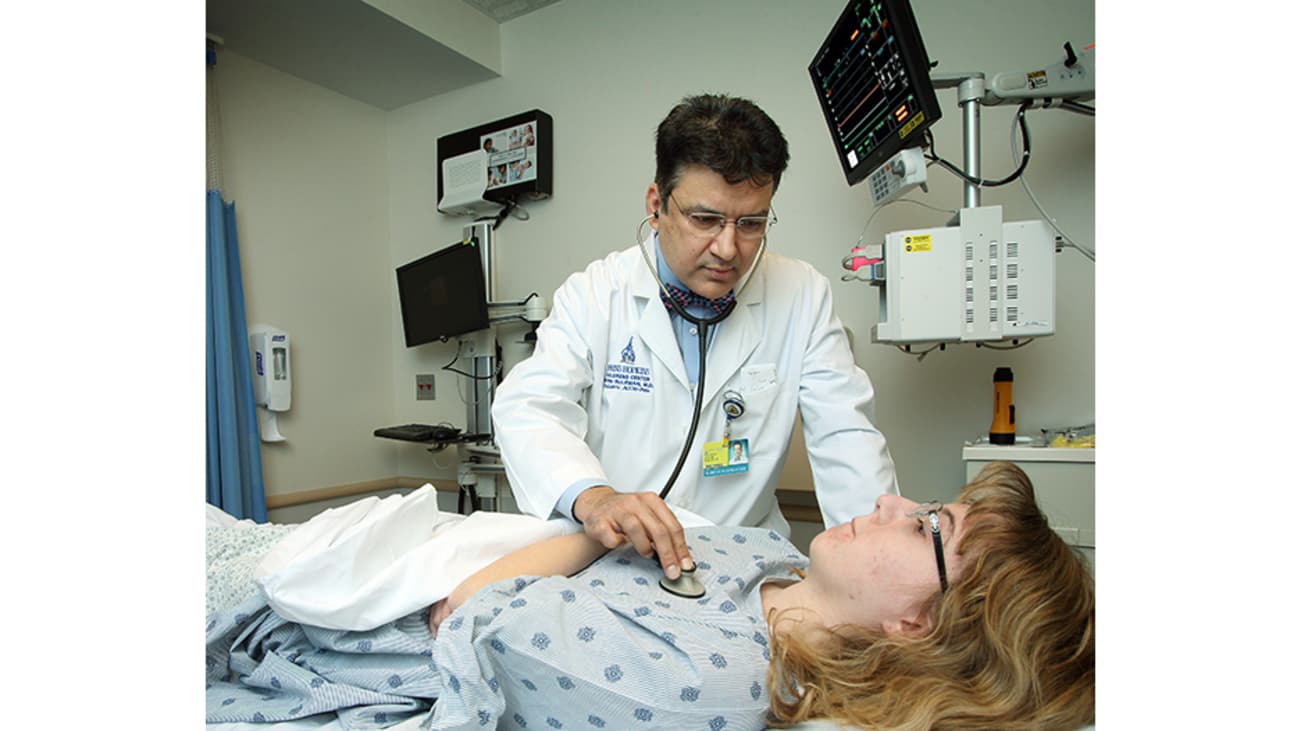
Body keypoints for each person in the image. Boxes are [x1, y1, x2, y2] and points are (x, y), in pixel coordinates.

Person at [205, 462, 1093, 730]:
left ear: (917, 625)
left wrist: (586, 542)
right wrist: (598, 522)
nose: (889, 502)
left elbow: (466, 610)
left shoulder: (702, 687)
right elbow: (553, 556)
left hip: (362, 643)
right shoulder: (764, 552)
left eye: (926, 527)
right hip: (415, 569)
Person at [491, 93, 898, 584]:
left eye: (751, 224)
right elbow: (529, 410)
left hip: (743, 564)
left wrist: (879, 569)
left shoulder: (801, 295)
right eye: (705, 220)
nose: (728, 248)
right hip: (617, 563)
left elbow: (846, 437)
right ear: (657, 204)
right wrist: (595, 498)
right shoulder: (596, 295)